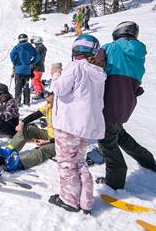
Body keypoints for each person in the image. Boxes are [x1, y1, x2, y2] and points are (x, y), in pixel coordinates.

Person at [95, 21, 156, 190]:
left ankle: (115, 180)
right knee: (119, 134)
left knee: (106, 140)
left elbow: (94, 70)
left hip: (109, 101)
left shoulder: (109, 48)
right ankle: (147, 160)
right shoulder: (139, 54)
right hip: (126, 103)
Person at [49, 34, 107, 215]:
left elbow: (58, 89)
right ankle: (86, 201)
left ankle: (69, 200)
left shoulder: (74, 67)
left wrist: (56, 73)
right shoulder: (98, 73)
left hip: (68, 125)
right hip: (85, 126)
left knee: (67, 163)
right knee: (80, 161)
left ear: (75, 51)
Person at [0, 91, 56, 172]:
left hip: (61, 142)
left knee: (43, 150)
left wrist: (48, 141)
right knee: (26, 128)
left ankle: (19, 163)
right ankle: (9, 150)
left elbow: (71, 138)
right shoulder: (49, 106)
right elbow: (35, 115)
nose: (47, 103)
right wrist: (22, 123)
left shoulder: (67, 113)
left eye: (49, 101)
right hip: (49, 135)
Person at [10, 33, 41, 107]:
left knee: (18, 87)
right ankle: (27, 102)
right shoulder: (30, 47)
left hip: (19, 70)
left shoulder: (17, 47)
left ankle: (17, 102)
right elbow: (37, 56)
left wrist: (15, 62)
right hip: (27, 70)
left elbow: (11, 55)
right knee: (26, 87)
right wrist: (31, 62)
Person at [30, 36, 47, 100]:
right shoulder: (42, 48)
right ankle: (42, 91)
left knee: (35, 80)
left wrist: (32, 63)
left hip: (37, 67)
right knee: (38, 80)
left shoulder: (38, 49)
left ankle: (39, 92)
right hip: (41, 66)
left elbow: (37, 58)